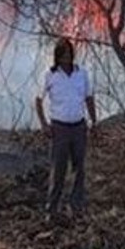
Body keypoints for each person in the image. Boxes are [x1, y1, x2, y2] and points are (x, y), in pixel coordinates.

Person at [34, 38, 96, 220]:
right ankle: (52, 209)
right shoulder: (49, 74)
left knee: (79, 169)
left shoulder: (81, 73)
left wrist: (94, 120)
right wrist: (44, 124)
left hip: (79, 126)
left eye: (69, 55)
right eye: (63, 56)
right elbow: (38, 100)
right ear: (58, 57)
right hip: (59, 127)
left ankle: (76, 207)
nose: (67, 59)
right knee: (58, 169)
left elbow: (89, 97)